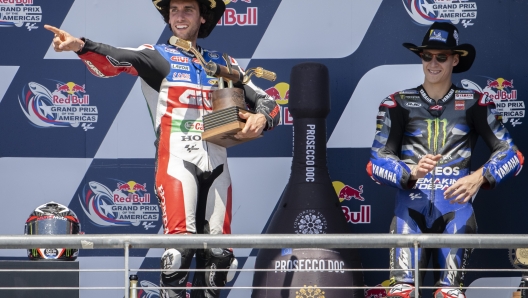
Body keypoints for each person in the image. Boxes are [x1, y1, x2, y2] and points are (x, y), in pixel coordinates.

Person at [45, 0, 280, 297]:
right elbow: (116, 58)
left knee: (220, 258)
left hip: (218, 164)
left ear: (203, 18)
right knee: (179, 252)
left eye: (188, 10)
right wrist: (80, 45)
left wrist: (262, 118)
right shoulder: (158, 56)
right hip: (177, 163)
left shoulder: (224, 63)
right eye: (174, 10)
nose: (180, 16)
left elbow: (266, 100)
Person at [366, 22, 524, 298]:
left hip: (456, 213)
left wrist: (479, 176)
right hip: (408, 214)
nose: (433, 63)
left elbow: (513, 155)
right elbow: (375, 162)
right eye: (427, 56)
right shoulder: (397, 103)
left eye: (441, 56)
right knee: (400, 294)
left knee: (449, 295)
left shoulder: (476, 103)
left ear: (455, 59)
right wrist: (411, 172)